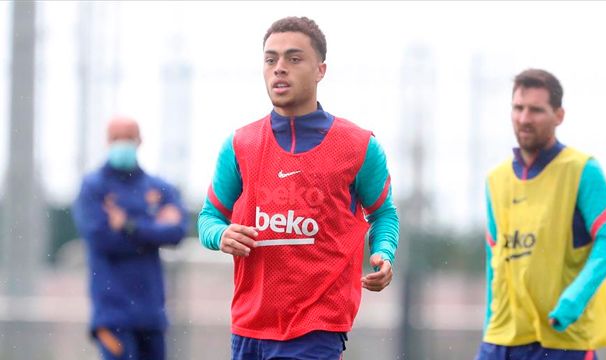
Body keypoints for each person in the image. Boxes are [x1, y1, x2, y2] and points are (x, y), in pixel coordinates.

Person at [198, 16, 399, 359]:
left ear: (320, 70)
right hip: (249, 328)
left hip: (317, 328)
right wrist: (221, 235)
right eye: (271, 59)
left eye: (293, 59)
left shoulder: (358, 146)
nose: (279, 69)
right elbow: (209, 217)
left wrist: (384, 251)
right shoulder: (240, 144)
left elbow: (383, 214)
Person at [475, 69, 606, 360]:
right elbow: (495, 259)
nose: (525, 118)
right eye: (518, 108)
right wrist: (489, 327)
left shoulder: (583, 170)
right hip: (501, 339)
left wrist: (573, 301)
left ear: (559, 115)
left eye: (536, 110)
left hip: (564, 339)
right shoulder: (496, 178)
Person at [72, 116, 188, 360]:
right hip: (113, 314)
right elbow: (101, 239)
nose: (122, 144)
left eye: (128, 137)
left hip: (151, 314)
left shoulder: (158, 187)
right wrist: (153, 230)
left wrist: (128, 225)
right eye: (116, 138)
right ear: (107, 142)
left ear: (139, 141)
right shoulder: (93, 186)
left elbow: (177, 232)